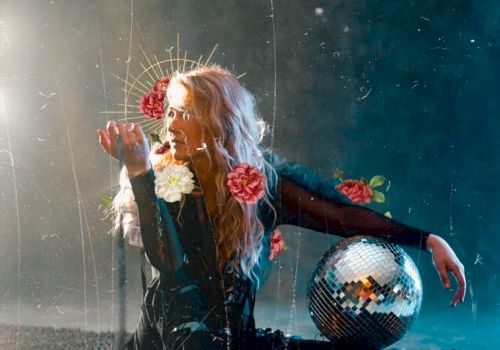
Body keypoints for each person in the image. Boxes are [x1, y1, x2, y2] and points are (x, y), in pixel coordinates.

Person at [97, 66, 466, 350]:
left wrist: (428, 239)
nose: (170, 125)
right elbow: (169, 263)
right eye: (170, 113)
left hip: (235, 340)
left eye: (185, 114)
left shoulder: (260, 185)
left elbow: (341, 216)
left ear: (218, 124)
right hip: (171, 333)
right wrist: (140, 172)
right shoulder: (162, 178)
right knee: (177, 293)